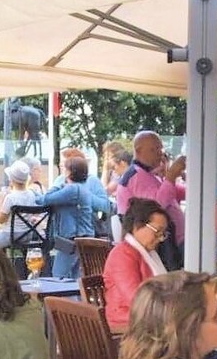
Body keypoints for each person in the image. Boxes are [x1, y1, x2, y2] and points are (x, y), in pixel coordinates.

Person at [116, 131, 187, 261]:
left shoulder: (147, 174)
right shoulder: (136, 176)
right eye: (154, 149)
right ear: (138, 151)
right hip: (165, 246)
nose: (160, 153)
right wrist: (171, 175)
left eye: (160, 148)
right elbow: (156, 207)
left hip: (175, 241)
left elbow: (178, 193)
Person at [39, 156, 111, 280]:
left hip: (72, 239)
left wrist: (59, 184)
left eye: (64, 168)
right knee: (77, 280)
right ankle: (76, 300)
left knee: (59, 278)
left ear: (69, 172)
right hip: (84, 237)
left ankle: (62, 300)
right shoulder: (82, 188)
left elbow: (45, 199)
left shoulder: (72, 189)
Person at [104, 198, 169, 330]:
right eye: (157, 231)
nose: (161, 238)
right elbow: (135, 299)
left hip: (145, 320)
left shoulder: (148, 253)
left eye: (163, 234)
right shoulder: (122, 255)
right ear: (136, 226)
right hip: (126, 325)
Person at [0, 160, 41, 248]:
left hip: (11, 235)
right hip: (28, 234)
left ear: (11, 180)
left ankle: (1, 261)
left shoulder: (10, 198)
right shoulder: (31, 194)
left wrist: (0, 201)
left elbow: (0, 220)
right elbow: (34, 213)